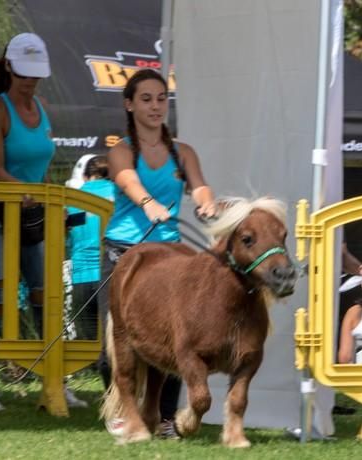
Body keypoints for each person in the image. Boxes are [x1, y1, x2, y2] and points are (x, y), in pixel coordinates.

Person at [98, 68, 216, 434]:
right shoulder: (121, 151)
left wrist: (207, 205)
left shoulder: (183, 152)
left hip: (169, 257)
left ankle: (164, 418)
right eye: (146, 99)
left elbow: (200, 188)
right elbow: (128, 180)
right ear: (129, 105)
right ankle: (124, 410)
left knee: (180, 340)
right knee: (116, 343)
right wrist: (148, 203)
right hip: (125, 250)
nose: (155, 106)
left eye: (161, 99)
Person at [0, 32, 59, 411]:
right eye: (24, 72)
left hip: (33, 215)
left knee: (44, 296)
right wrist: (25, 190)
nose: (30, 80)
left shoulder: (41, 107)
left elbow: (40, 165)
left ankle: (54, 381)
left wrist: (43, 196)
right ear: (9, 67)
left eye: (35, 74)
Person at [66, 155, 114, 341]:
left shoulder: (72, 200)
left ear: (85, 177)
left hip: (81, 276)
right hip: (111, 276)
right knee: (112, 343)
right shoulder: (120, 197)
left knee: (87, 343)